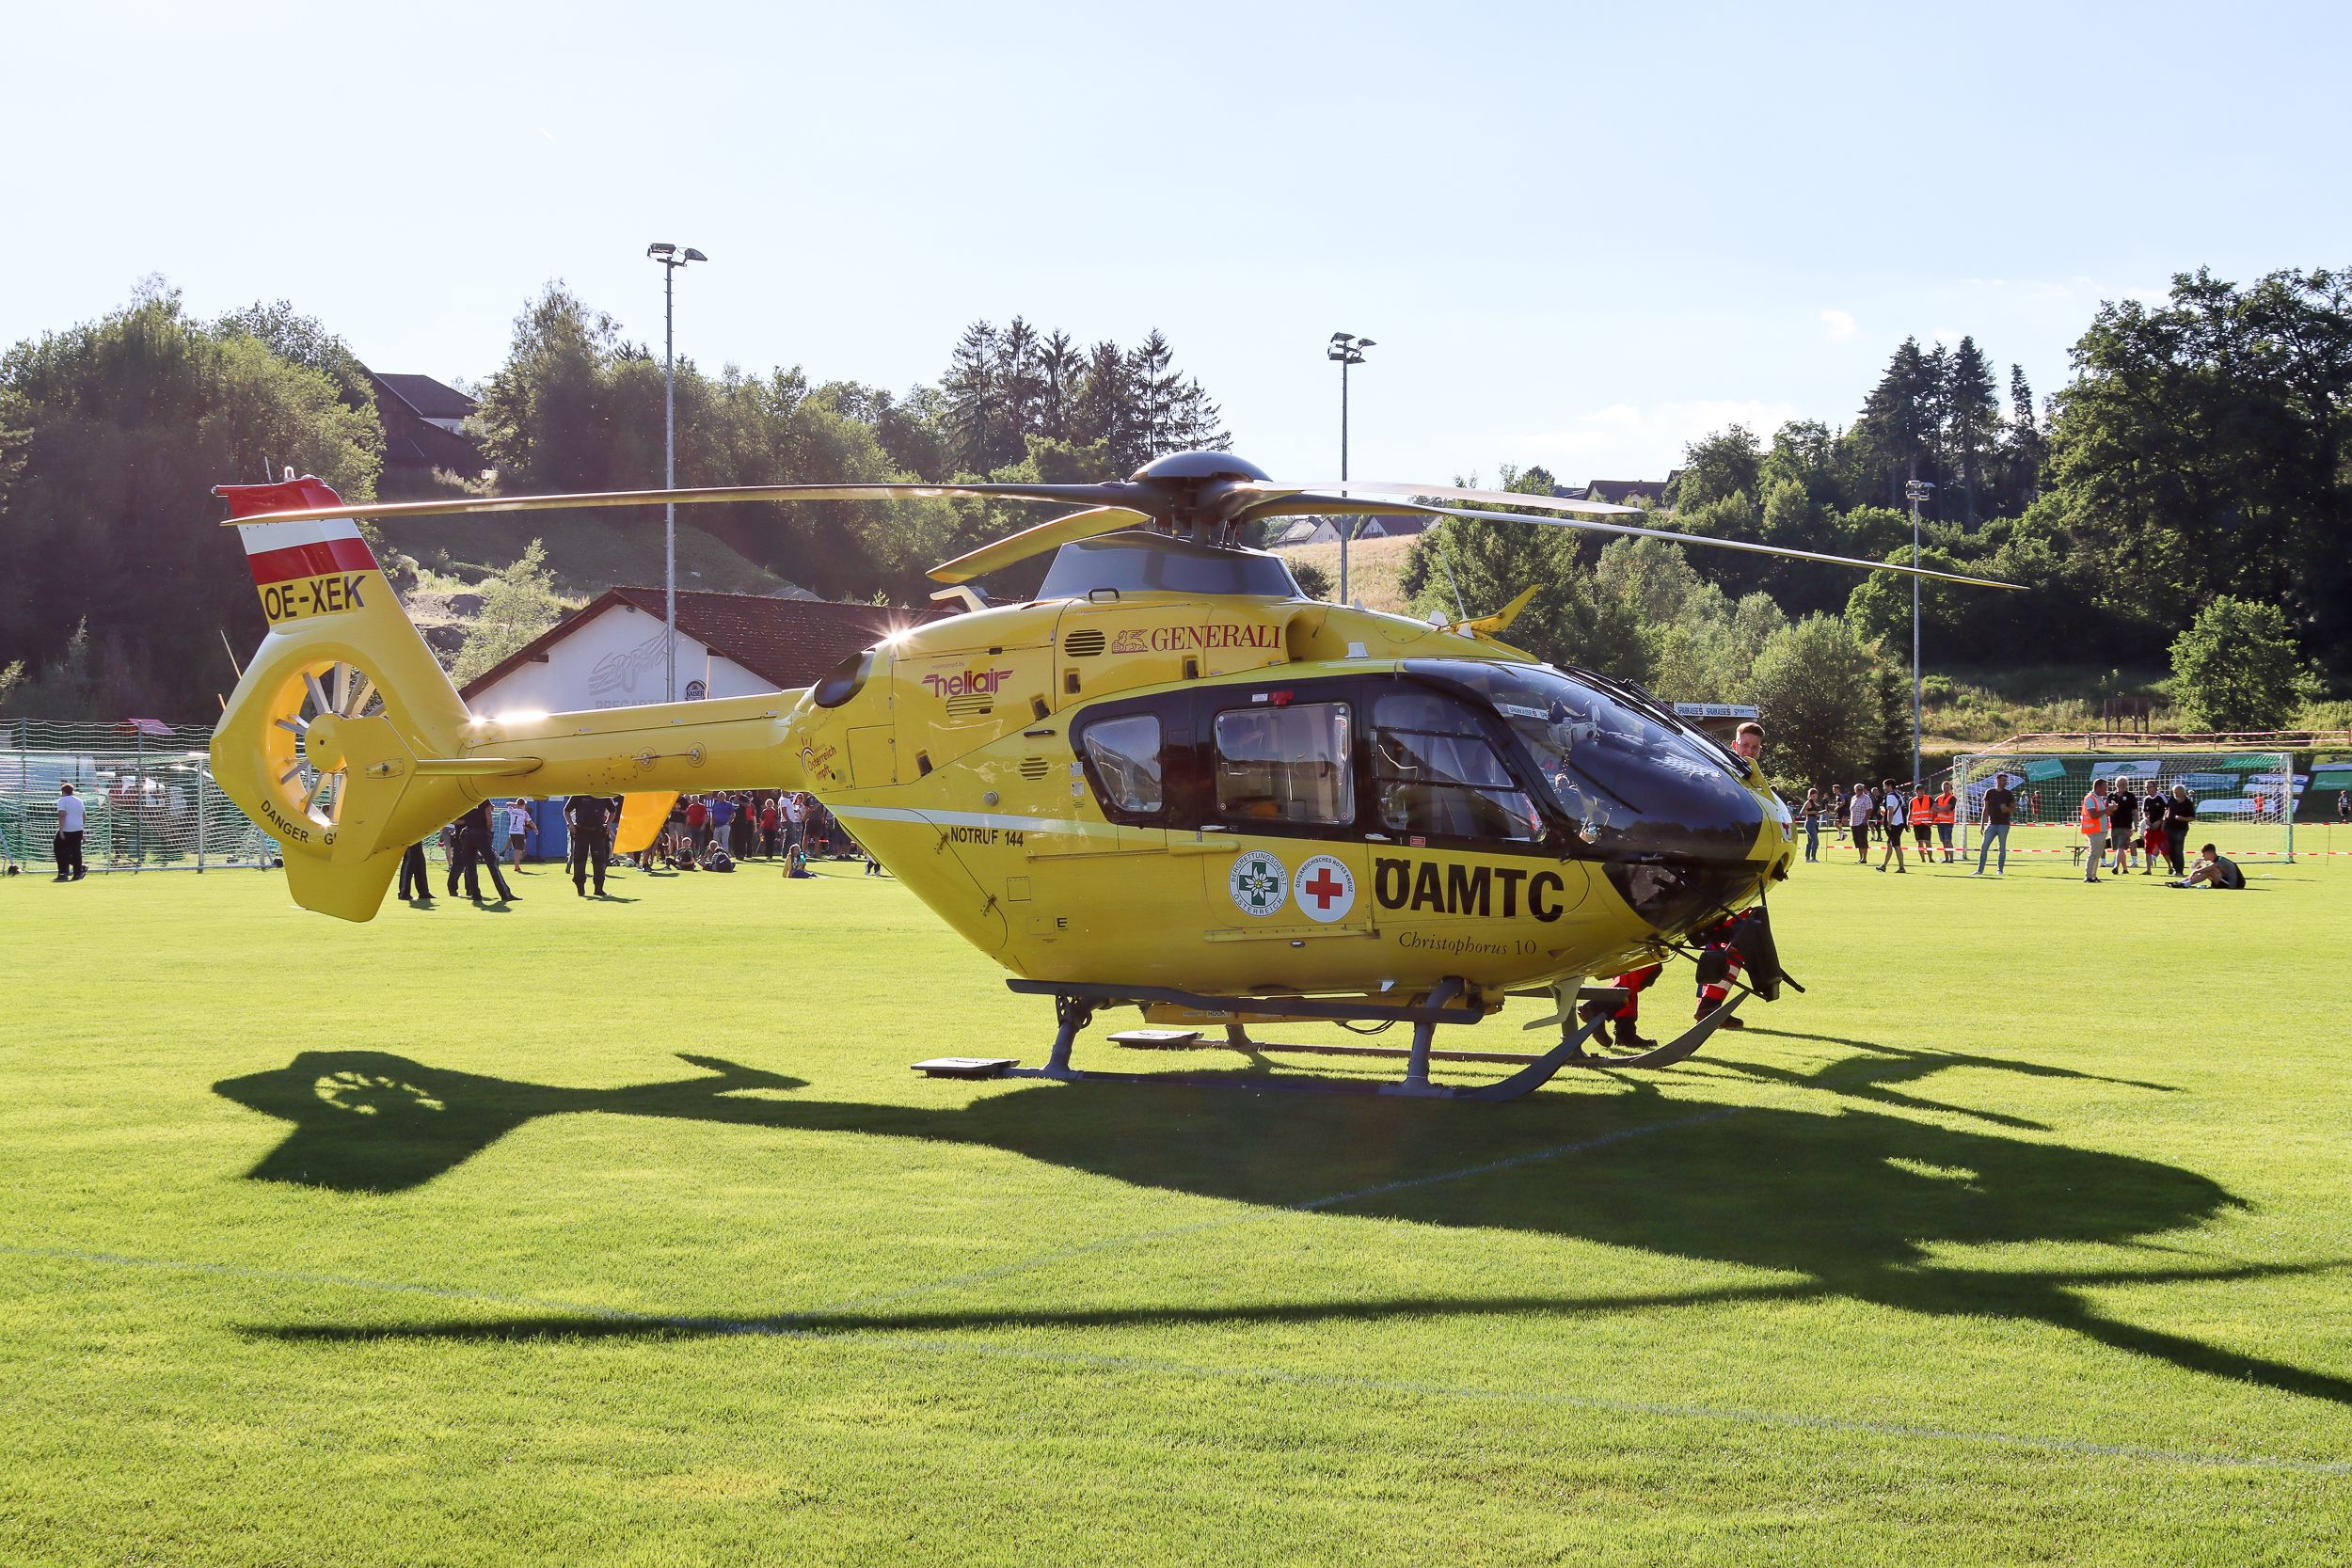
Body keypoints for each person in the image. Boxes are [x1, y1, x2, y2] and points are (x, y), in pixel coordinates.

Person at [563, 793, 613, 895]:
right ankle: (580, 887)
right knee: (579, 860)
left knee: (599, 860)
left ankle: (599, 888)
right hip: (581, 831)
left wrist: (608, 824)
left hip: (598, 832)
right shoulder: (579, 793)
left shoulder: (603, 794)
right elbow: (566, 810)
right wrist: (570, 824)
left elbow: (613, 810)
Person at [1972, 772, 2016, 877]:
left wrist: (2006, 809)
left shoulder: (2008, 794)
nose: (2005, 782)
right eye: (2003, 780)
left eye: (2006, 781)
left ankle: (2000, 870)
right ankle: (1979, 870)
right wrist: (1982, 824)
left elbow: (2014, 808)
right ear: (1997, 780)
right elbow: (1985, 809)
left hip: (2003, 824)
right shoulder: (1990, 792)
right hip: (1991, 824)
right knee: (1984, 847)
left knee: (2002, 847)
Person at [2078, 778, 2113, 883]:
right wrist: (2107, 810)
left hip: (2100, 830)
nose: (2106, 789)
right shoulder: (2090, 798)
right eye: (2104, 787)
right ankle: (2088, 876)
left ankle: (2093, 875)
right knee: (2094, 854)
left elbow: (2102, 813)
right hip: (2094, 831)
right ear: (2098, 787)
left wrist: (2111, 810)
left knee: (2097, 854)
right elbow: (2093, 814)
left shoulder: (2098, 798)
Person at [53, 783, 87, 881]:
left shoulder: (63, 800)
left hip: (67, 829)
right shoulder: (79, 801)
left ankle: (63, 873)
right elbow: (84, 816)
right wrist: (82, 829)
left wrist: (61, 830)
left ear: (63, 792)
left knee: (59, 850)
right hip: (78, 829)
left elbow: (62, 814)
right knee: (76, 851)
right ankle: (78, 873)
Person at [2174, 843, 2246, 889]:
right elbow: (2204, 871)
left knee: (2209, 871)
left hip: (2235, 885)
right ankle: (2180, 883)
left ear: (2210, 853)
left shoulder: (2220, 860)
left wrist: (2195, 871)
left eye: (2204, 854)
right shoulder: (2216, 860)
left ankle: (2184, 884)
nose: (2202, 856)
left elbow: (2209, 868)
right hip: (2227, 882)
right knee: (2206, 870)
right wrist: (2198, 866)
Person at [2163, 784, 2196, 877]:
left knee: (2178, 849)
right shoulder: (2172, 800)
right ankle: (2175, 868)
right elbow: (2167, 811)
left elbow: (2192, 818)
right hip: (2169, 828)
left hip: (2180, 829)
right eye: (2174, 792)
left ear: (2183, 792)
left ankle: (2179, 871)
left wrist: (2183, 819)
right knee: (2170, 850)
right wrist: (2164, 823)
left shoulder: (2188, 803)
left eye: (2177, 792)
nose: (2175, 794)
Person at [2108, 780, 2138, 875]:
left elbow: (2135, 812)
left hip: (2126, 826)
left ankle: (2115, 866)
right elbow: (2108, 811)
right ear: (2116, 785)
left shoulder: (2130, 796)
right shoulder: (2111, 796)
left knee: (2121, 846)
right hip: (2114, 826)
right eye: (2121, 784)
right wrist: (2113, 808)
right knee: (2119, 848)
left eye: (2125, 784)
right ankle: (2125, 869)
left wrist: (2135, 824)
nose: (2123, 786)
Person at [1878, 780, 1908, 873]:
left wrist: (1889, 823)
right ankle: (1884, 865)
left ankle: (1902, 867)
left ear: (1889, 786)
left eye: (1885, 786)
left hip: (1894, 824)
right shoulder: (1898, 796)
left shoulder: (1890, 796)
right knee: (1890, 844)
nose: (1883, 788)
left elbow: (1890, 811)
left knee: (1896, 845)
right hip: (1900, 822)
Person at [398, 836, 432, 902]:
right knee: (409, 861)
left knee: (420, 862)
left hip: (417, 835)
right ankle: (404, 893)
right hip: (409, 835)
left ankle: (424, 893)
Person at [1848, 782, 1873, 865]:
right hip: (1853, 823)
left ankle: (1864, 858)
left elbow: (1869, 810)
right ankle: (1860, 857)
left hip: (1861, 822)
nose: (1860, 791)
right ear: (1855, 790)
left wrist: (1864, 820)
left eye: (1861, 789)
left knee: (1863, 841)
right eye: (1858, 789)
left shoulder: (1866, 798)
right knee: (1857, 841)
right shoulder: (1853, 798)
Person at [1933, 782, 1958, 863]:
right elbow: (1933, 808)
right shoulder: (1938, 798)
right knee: (1943, 841)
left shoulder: (1952, 798)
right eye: (1944, 788)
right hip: (1940, 822)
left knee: (1948, 840)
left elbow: (1947, 809)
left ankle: (1951, 859)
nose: (1946, 789)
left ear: (1950, 788)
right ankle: (1946, 858)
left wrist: (1939, 809)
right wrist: (1942, 809)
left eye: (1947, 788)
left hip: (1948, 823)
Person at [1799, 787, 1824, 863]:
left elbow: (1816, 812)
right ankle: (1813, 858)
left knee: (1810, 841)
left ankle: (1807, 858)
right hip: (1809, 822)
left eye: (1815, 796)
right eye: (1813, 796)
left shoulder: (1815, 803)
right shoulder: (1808, 802)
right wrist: (1813, 812)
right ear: (1809, 796)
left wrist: (1821, 812)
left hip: (1814, 822)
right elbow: (1802, 813)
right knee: (1815, 841)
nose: (1814, 797)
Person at [1910, 785, 1933, 862]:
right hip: (1917, 824)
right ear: (1916, 792)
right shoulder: (1912, 801)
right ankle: (1923, 859)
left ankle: (1930, 858)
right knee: (1920, 842)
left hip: (1926, 824)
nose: (1921, 792)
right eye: (1919, 791)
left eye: (1922, 790)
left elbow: (1934, 810)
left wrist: (1932, 821)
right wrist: (1908, 823)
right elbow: (1910, 813)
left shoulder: (1929, 799)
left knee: (1928, 842)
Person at [505, 799, 530, 868]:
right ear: (523, 805)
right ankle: (517, 865)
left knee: (517, 849)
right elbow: (530, 822)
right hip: (519, 833)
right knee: (518, 850)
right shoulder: (524, 813)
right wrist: (535, 829)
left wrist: (516, 805)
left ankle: (517, 864)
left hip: (512, 832)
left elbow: (507, 804)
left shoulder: (512, 811)